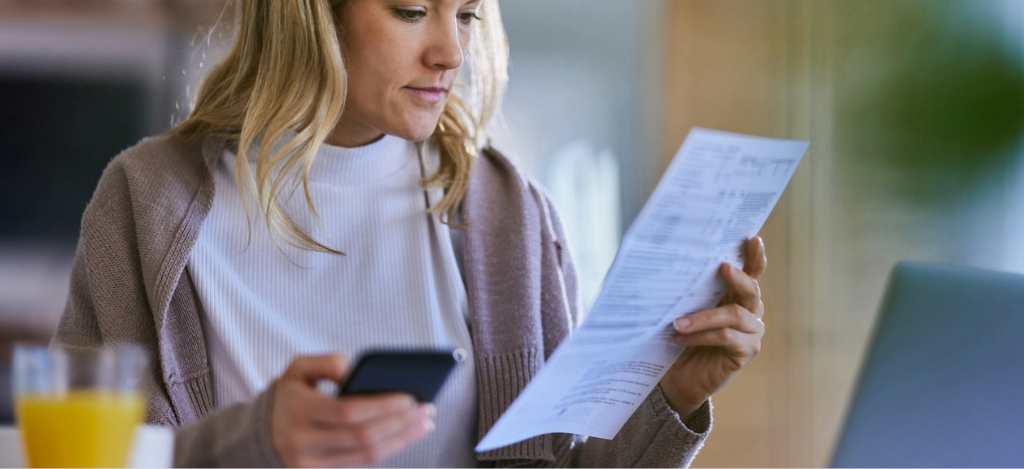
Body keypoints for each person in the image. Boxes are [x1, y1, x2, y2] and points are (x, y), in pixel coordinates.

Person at [55, 0, 767, 467]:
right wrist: (256, 444)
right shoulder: (146, 205)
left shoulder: (511, 218)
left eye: (464, 15)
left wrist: (671, 395)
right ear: (312, 16)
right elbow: (82, 456)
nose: (449, 52)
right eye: (412, 10)